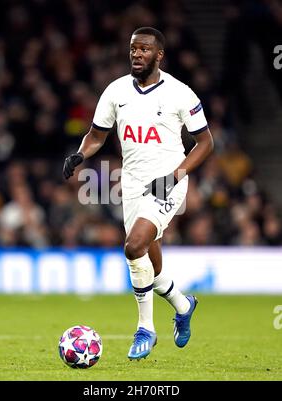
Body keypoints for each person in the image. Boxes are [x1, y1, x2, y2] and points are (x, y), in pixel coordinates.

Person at [63, 27, 213, 360]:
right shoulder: (116, 91)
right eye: (133, 49)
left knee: (133, 246)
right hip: (131, 183)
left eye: (144, 49)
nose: (137, 54)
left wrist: (177, 175)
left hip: (168, 181)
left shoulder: (180, 94)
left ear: (159, 55)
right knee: (149, 257)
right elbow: (96, 135)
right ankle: (183, 304)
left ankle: (146, 328)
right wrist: (80, 154)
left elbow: (206, 142)